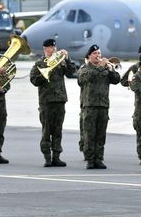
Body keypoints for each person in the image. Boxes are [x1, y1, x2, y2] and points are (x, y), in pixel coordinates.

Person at [29, 38, 76, 167]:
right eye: (51, 47)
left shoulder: (60, 62)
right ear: (45, 49)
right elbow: (34, 81)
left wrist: (67, 58)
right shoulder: (39, 64)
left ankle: (56, 156)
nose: (54, 49)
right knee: (46, 131)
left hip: (60, 100)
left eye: (54, 47)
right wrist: (43, 75)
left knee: (58, 130)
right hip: (46, 101)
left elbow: (72, 73)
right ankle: (47, 157)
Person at [77, 44, 121, 169]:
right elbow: (83, 79)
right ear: (89, 56)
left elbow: (117, 80)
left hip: (103, 106)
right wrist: (100, 68)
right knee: (90, 134)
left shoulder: (106, 69)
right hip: (89, 106)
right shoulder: (84, 69)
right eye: (95, 53)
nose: (98, 56)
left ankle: (99, 158)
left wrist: (111, 69)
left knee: (101, 134)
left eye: (99, 54)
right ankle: (90, 159)